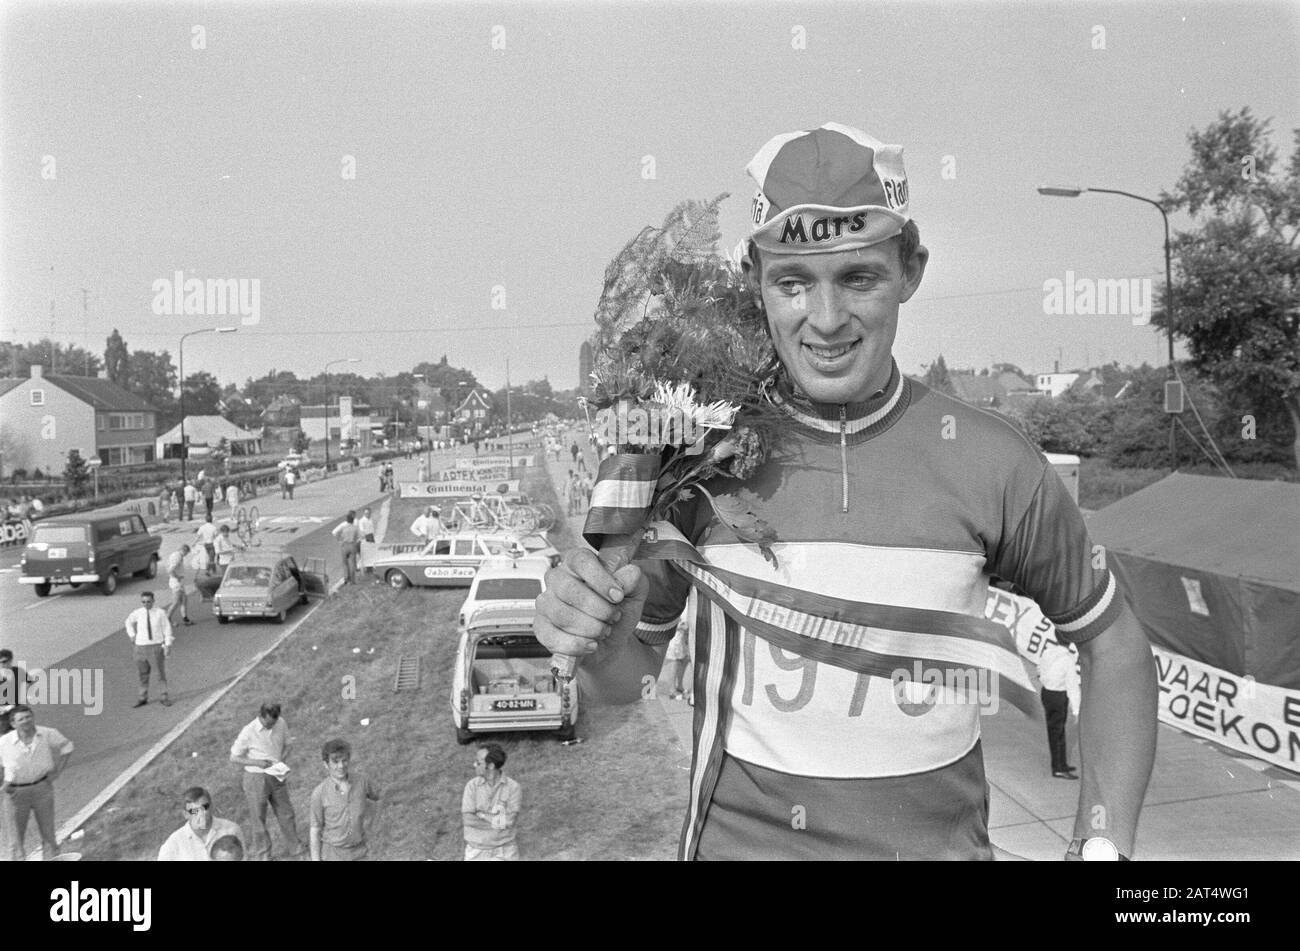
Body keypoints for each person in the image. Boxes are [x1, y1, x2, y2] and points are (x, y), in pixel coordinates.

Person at [534, 122, 1157, 862]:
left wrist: (1102, 844)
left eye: (858, 278)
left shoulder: (995, 460)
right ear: (752, 279)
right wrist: (589, 630)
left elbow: (1114, 643)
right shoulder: (695, 456)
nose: (825, 321)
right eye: (792, 282)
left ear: (912, 268)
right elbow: (621, 682)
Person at [229, 701, 307, 861]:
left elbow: (288, 744)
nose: (271, 726)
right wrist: (258, 762)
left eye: (274, 722)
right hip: (255, 778)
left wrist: (281, 760)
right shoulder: (248, 731)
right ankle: (264, 855)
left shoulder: (281, 723)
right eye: (268, 723)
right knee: (258, 818)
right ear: (261, 716)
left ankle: (296, 849)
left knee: (286, 813)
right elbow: (234, 757)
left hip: (276, 775)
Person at [0, 705, 73, 860]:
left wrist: (57, 772)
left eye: (28, 717)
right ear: (13, 724)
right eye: (21, 719)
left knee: (49, 835)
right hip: (15, 794)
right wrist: (3, 786)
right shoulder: (4, 743)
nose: (26, 721)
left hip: (42, 789)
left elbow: (67, 746)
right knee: (16, 841)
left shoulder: (46, 733)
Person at [309, 739, 381, 861]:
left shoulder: (362, 781)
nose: (341, 766)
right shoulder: (319, 793)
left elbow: (380, 798)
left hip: (360, 852)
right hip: (334, 854)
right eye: (335, 762)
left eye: (344, 760)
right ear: (326, 764)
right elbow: (315, 830)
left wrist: (374, 824)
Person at [461, 744, 521, 861]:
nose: (474, 765)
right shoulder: (471, 786)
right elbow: (468, 819)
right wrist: (497, 822)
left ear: (491, 766)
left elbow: (509, 821)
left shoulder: (513, 787)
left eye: (478, 763)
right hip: (476, 852)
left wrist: (481, 815)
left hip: (505, 852)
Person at [158, 786, 244, 861]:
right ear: (185, 814)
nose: (201, 813)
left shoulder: (231, 830)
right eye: (194, 811)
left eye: (204, 807)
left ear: (211, 806)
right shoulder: (174, 844)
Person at [1038, 638, 1080, 779]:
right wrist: (1076, 710)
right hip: (1058, 696)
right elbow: (1072, 685)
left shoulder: (1048, 652)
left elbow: (1040, 669)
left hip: (1046, 692)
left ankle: (1061, 763)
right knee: (1058, 732)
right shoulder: (1068, 659)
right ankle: (1058, 767)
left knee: (1055, 730)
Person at [125, 590, 174, 708]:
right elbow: (128, 622)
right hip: (140, 647)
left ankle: (163, 696)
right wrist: (132, 635)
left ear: (153, 601)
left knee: (159, 673)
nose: (146, 604)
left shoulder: (160, 613)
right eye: (143, 602)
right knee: (143, 674)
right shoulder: (138, 613)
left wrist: (167, 644)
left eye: (148, 601)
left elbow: (167, 628)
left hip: (156, 647)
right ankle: (142, 698)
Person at [0, 649, 34, 734]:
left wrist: (26, 694)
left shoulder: (18, 671)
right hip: (3, 713)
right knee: (6, 736)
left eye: (3, 662)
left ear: (10, 660)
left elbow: (31, 682)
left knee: (26, 731)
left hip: (18, 709)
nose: (1, 665)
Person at [165, 544, 194, 628]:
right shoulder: (177, 557)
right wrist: (177, 577)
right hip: (176, 582)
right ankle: (167, 618)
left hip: (179, 582)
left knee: (184, 599)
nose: (186, 555)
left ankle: (185, 619)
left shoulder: (175, 555)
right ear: (184, 551)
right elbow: (170, 570)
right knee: (176, 602)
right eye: (187, 553)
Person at [664, 617, 692, 703]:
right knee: (675, 658)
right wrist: (678, 625)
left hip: (687, 630)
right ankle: (672, 690)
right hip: (676, 628)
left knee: (685, 657)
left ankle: (680, 685)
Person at [332, 511, 362, 585]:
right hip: (352, 545)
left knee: (345, 563)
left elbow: (334, 532)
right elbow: (361, 536)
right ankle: (352, 580)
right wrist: (355, 540)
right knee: (352, 563)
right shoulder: (355, 527)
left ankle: (346, 579)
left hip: (344, 545)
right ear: (353, 520)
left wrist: (339, 540)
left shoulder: (343, 525)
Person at [358, 507, 377, 579]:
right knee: (367, 553)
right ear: (364, 513)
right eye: (366, 513)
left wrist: (372, 536)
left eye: (369, 513)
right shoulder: (362, 521)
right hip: (366, 537)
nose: (368, 514)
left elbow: (372, 528)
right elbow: (362, 531)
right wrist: (365, 539)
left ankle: (371, 567)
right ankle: (368, 568)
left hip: (371, 536)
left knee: (372, 552)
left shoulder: (370, 520)